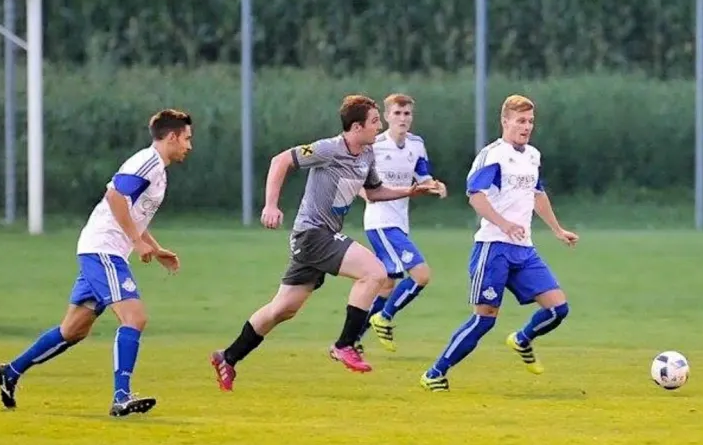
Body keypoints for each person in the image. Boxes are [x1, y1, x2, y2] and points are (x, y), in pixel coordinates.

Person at [209, 95, 433, 390]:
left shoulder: (366, 155)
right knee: (375, 273)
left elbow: (375, 192)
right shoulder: (328, 149)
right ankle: (345, 345)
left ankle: (228, 356)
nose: (379, 127)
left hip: (319, 240)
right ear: (356, 127)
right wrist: (270, 205)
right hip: (312, 234)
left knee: (283, 309)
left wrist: (412, 191)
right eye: (375, 121)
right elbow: (280, 161)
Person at [0, 110, 194, 416]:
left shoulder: (158, 171)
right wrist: (137, 243)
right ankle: (121, 397)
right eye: (187, 139)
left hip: (100, 249)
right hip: (103, 250)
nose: (189, 146)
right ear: (172, 136)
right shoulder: (147, 162)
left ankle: (11, 371)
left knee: (73, 330)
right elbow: (114, 197)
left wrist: (155, 246)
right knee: (135, 317)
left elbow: (134, 212)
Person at [419, 94, 578, 392]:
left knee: (559, 308)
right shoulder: (493, 155)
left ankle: (522, 339)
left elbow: (537, 193)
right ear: (505, 121)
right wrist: (503, 223)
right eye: (520, 120)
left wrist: (557, 229)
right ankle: (435, 372)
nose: (527, 126)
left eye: (530, 121)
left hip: (524, 250)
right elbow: (474, 195)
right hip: (493, 248)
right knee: (484, 320)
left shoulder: (533, 155)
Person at [358, 93, 446, 353]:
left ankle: (350, 340)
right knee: (421, 275)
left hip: (399, 222)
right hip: (380, 222)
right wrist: (369, 196)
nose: (402, 118)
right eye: (397, 113)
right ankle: (384, 318)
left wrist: (435, 186)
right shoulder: (373, 146)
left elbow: (423, 176)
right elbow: (355, 181)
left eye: (406, 113)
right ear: (386, 117)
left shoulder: (416, 144)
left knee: (386, 283)